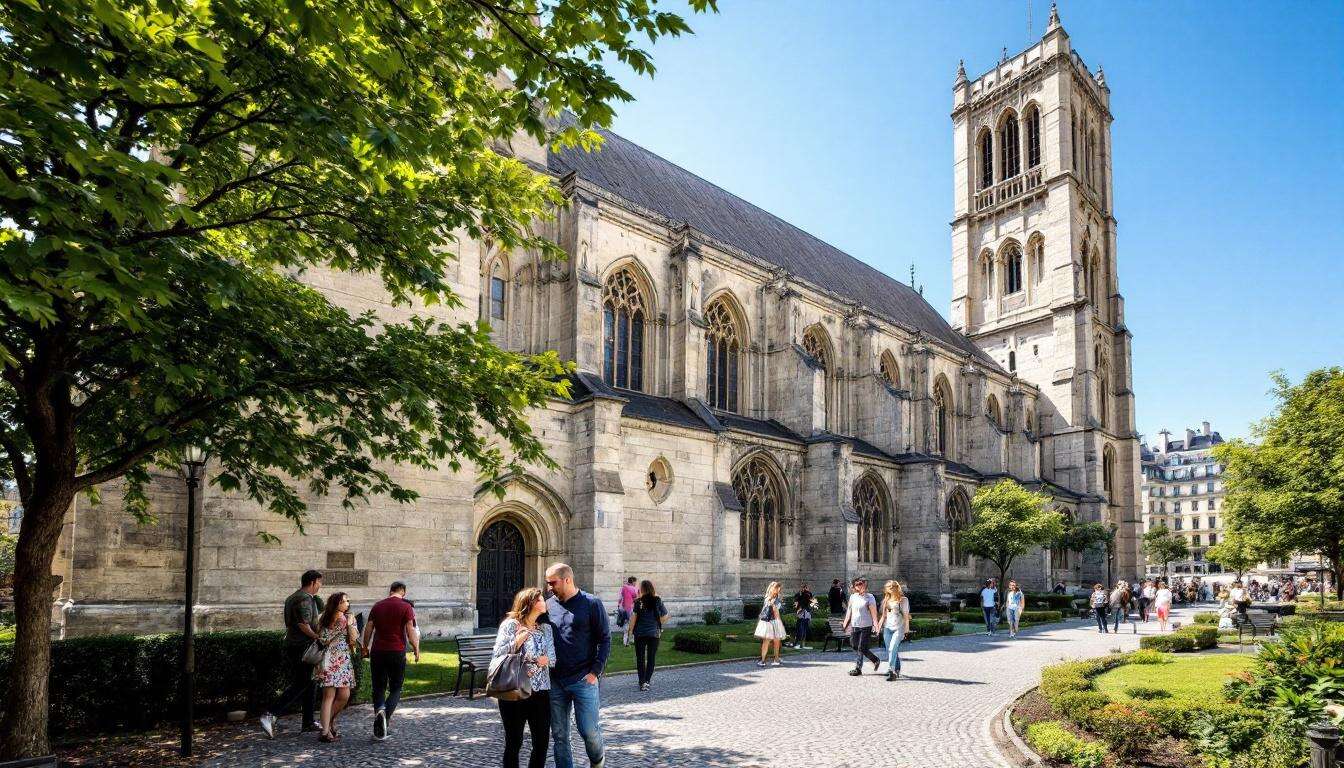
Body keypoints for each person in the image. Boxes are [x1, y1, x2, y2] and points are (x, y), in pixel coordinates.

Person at [545, 563, 609, 768]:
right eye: (547, 583)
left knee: (589, 731)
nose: (549, 587)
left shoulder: (591, 603)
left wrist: (595, 672)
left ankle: (597, 761)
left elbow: (605, 639)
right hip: (556, 681)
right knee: (560, 735)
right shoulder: (548, 605)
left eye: (552, 583)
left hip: (584, 679)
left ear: (567, 579)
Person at [493, 587, 555, 768]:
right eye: (540, 599)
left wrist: (539, 660)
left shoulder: (545, 629)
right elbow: (498, 654)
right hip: (515, 688)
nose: (544, 602)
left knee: (542, 742)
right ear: (528, 603)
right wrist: (517, 641)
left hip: (541, 691)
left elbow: (552, 659)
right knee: (514, 741)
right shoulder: (511, 625)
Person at [260, 569, 323, 739]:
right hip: (302, 647)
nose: (320, 586)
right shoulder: (304, 598)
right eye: (319, 582)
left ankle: (308, 722)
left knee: (311, 683)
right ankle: (270, 714)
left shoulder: (292, 597)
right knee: (301, 683)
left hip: (294, 645)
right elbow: (303, 624)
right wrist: (318, 637)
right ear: (312, 582)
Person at [361, 581, 420, 742]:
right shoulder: (406, 607)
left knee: (378, 687)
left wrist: (365, 646)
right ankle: (384, 719)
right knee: (396, 688)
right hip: (397, 651)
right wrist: (416, 648)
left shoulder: (378, 606)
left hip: (378, 651)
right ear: (403, 592)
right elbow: (410, 630)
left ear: (390, 591)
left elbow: (368, 628)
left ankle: (380, 709)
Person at [313, 591, 358, 742]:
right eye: (345, 601)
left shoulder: (323, 617)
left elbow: (321, 635)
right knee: (336, 696)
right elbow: (353, 640)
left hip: (332, 659)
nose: (348, 604)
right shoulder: (343, 618)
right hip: (336, 659)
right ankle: (326, 731)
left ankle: (327, 726)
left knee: (333, 697)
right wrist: (352, 623)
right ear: (337, 604)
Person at [631, 580, 668, 690]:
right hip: (654, 633)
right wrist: (657, 622)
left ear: (642, 589)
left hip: (640, 633)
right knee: (651, 658)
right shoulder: (658, 600)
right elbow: (665, 616)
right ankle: (647, 681)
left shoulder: (638, 602)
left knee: (640, 658)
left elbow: (633, 618)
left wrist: (629, 632)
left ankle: (642, 681)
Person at [842, 577, 880, 676]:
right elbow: (849, 611)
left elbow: (874, 613)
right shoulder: (853, 597)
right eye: (858, 585)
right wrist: (845, 624)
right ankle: (875, 659)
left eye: (862, 584)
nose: (860, 586)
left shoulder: (870, 597)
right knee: (854, 645)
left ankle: (858, 668)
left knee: (861, 647)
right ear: (855, 587)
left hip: (866, 626)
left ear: (865, 586)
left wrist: (876, 626)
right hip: (855, 625)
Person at [875, 580, 910, 680]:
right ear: (886, 589)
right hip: (887, 628)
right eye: (888, 586)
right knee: (890, 649)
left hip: (899, 628)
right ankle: (896, 669)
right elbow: (884, 616)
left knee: (892, 648)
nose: (891, 587)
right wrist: (877, 626)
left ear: (897, 587)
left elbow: (906, 617)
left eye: (893, 586)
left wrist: (906, 630)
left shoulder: (903, 600)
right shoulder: (886, 600)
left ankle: (891, 671)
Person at [754, 581, 787, 667]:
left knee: (770, 642)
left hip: (769, 621)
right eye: (777, 588)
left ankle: (765, 660)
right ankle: (772, 660)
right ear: (773, 588)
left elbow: (770, 612)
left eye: (778, 588)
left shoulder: (770, 598)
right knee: (772, 641)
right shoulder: (773, 599)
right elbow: (775, 613)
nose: (778, 589)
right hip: (771, 621)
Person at [792, 583, 815, 650]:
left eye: (804, 587)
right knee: (801, 628)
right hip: (803, 612)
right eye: (803, 587)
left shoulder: (807, 594)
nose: (803, 589)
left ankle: (799, 643)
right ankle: (799, 643)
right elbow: (797, 600)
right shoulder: (802, 594)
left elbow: (806, 602)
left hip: (804, 612)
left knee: (801, 628)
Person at [617, 576, 638, 647]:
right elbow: (636, 597)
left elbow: (619, 598)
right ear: (633, 581)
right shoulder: (632, 588)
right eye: (635, 582)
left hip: (622, 608)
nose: (636, 583)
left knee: (625, 624)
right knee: (631, 624)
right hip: (629, 608)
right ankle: (629, 640)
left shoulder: (622, 587)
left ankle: (625, 640)